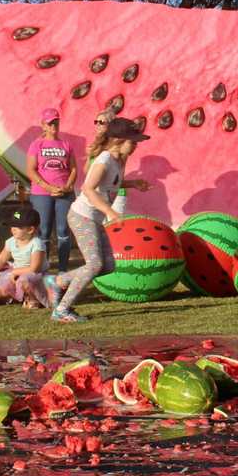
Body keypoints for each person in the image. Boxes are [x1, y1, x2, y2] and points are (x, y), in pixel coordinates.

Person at [43, 117, 151, 323]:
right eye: (133, 141)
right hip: (82, 216)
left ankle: (58, 281)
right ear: (119, 140)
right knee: (94, 264)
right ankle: (62, 310)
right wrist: (110, 211)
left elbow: (110, 184)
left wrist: (133, 184)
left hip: (94, 217)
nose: (136, 145)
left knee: (108, 265)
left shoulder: (120, 159)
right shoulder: (104, 160)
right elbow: (88, 189)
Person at [26, 108, 77, 272]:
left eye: (56, 121)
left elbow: (74, 169)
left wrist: (68, 186)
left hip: (64, 194)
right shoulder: (36, 145)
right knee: (44, 231)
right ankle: (44, 267)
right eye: (50, 123)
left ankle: (63, 268)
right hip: (42, 194)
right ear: (43, 125)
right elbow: (31, 170)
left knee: (63, 230)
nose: (54, 125)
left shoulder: (66, 145)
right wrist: (48, 187)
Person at [0, 205, 45, 307]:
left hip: (36, 275)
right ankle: (17, 298)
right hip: (16, 272)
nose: (13, 229)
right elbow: (1, 259)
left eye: (18, 227)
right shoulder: (11, 242)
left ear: (30, 229)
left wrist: (15, 272)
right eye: (12, 225)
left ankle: (33, 299)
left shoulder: (37, 243)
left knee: (24, 281)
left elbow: (35, 268)